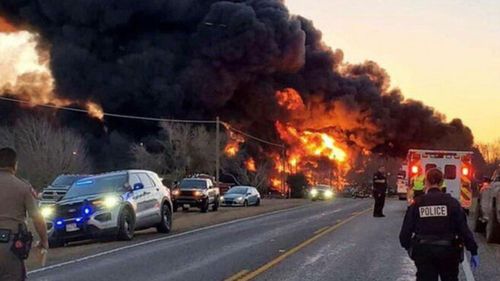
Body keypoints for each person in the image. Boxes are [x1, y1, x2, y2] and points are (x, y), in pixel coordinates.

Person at [399, 168, 479, 281]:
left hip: (424, 251)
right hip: (448, 252)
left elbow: (405, 233)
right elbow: (463, 229)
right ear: (442, 183)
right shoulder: (452, 203)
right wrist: (473, 250)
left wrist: (410, 248)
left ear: (426, 182)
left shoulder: (417, 203)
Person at [0, 147, 49, 281]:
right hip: (10, 247)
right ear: (15, 165)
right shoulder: (22, 188)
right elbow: (37, 218)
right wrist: (44, 241)